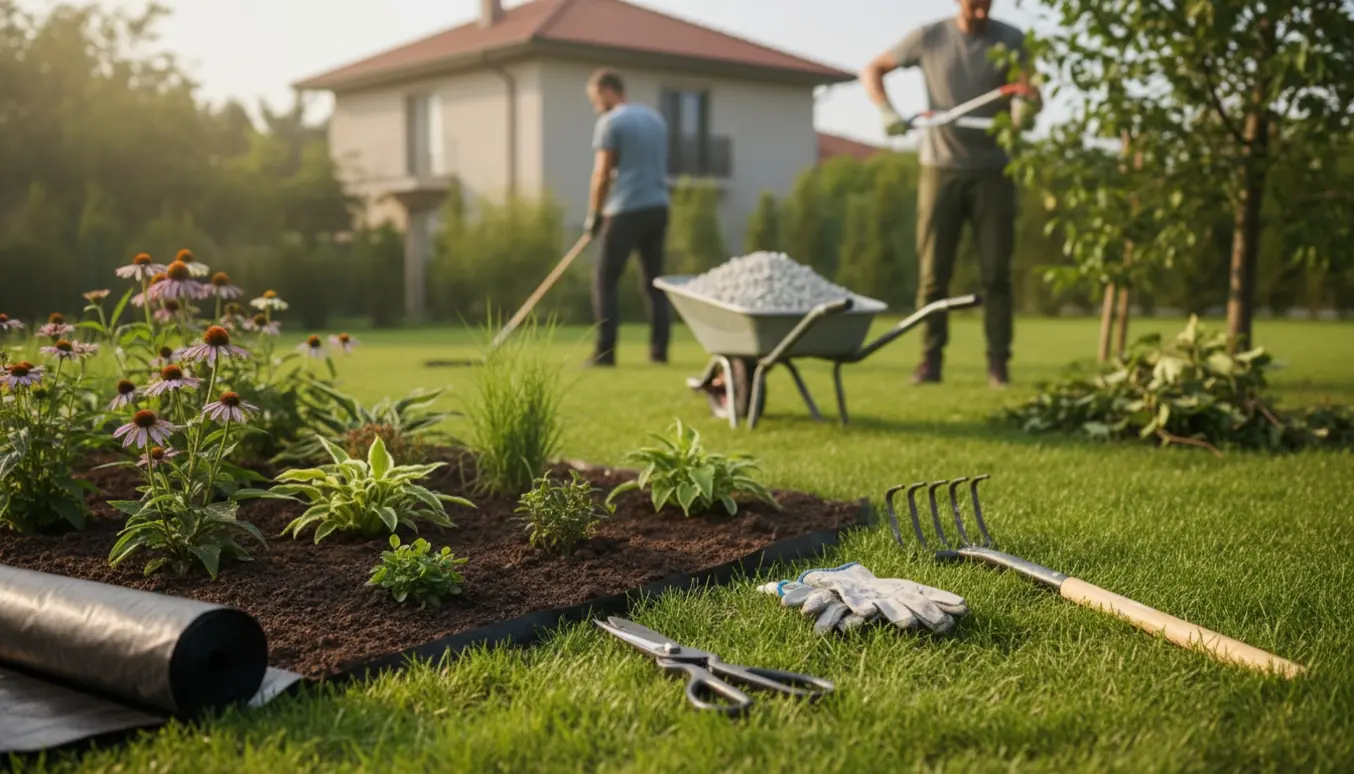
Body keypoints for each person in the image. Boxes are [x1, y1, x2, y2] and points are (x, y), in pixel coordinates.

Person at [860, 0, 1040, 387]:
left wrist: (1027, 106)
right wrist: (887, 112)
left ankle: (998, 364)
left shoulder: (1011, 39)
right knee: (933, 275)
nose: (981, 14)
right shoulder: (928, 38)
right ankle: (929, 361)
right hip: (940, 169)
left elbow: (1030, 89)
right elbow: (872, 70)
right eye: (974, 6)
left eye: (987, 6)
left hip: (995, 170)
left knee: (996, 273)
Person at [582, 68, 672, 367]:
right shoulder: (655, 119)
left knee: (605, 280)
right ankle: (659, 352)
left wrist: (594, 213)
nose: (596, 106)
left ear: (609, 91)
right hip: (658, 207)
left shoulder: (610, 122)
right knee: (654, 283)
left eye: (596, 99)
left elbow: (602, 172)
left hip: (626, 209)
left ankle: (605, 354)